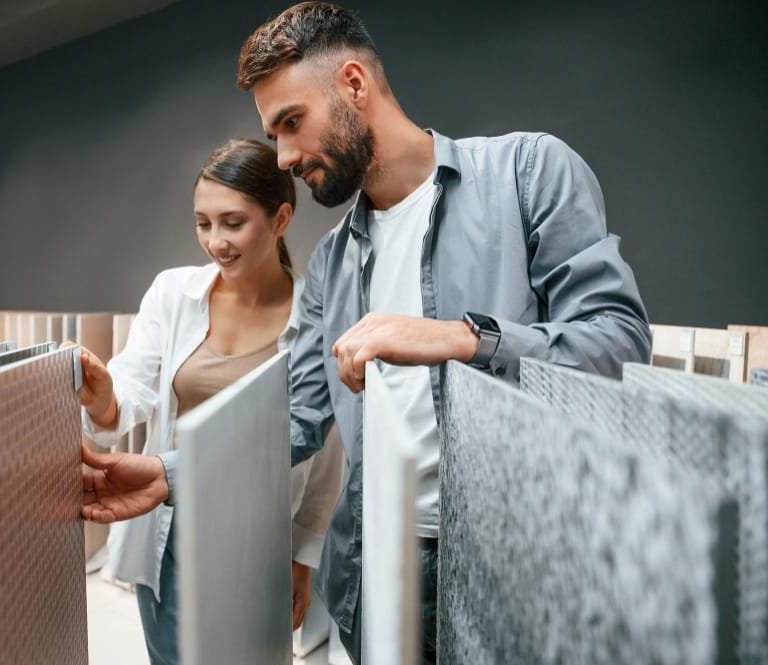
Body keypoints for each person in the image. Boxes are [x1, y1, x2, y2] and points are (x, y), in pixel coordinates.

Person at [83, 3, 651, 664]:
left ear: (353, 84)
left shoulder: (528, 175)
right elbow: (292, 420)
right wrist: (162, 471)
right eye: (274, 135)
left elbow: (615, 344)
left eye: (292, 124)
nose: (286, 156)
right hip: (378, 571)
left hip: (516, 567)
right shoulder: (331, 264)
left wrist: (463, 338)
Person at [75, 138, 343, 665]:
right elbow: (129, 394)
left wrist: (302, 556)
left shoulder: (314, 318)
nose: (216, 241)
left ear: (280, 218)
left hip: (258, 539)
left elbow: (323, 455)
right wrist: (104, 396)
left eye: (233, 222)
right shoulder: (173, 294)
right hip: (168, 526)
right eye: (203, 223)